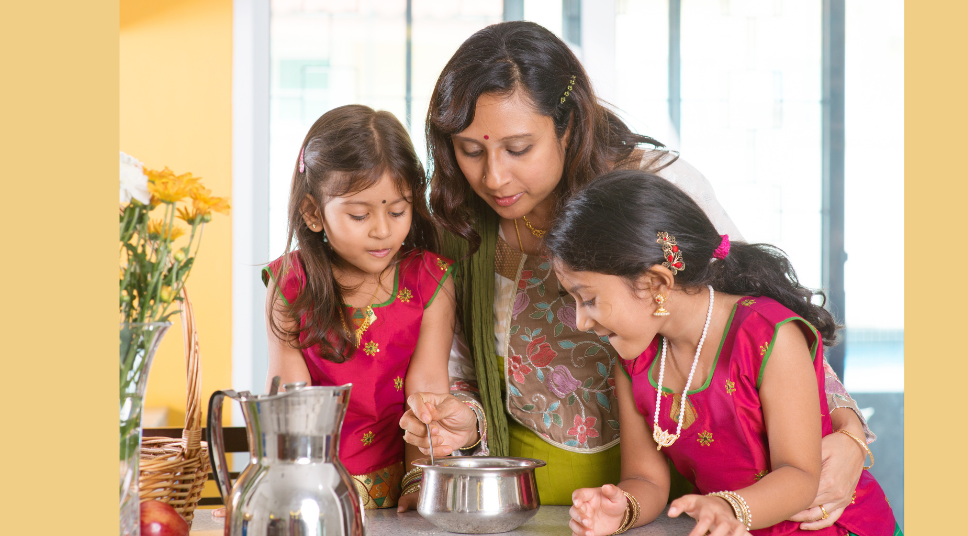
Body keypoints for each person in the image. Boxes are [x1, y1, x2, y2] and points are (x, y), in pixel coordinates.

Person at [400, 21, 873, 526]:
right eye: (471, 150)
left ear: (568, 125)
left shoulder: (652, 189)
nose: (493, 177)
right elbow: (463, 373)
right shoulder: (458, 223)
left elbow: (755, 312)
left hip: (693, 501)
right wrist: (461, 426)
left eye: (518, 149)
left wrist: (849, 435)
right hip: (538, 500)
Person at [550, 170, 899, 536]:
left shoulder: (767, 336)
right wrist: (621, 508)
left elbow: (800, 476)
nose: (580, 322)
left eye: (588, 299)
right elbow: (645, 478)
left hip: (834, 527)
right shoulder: (634, 362)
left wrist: (726, 507)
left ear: (656, 283)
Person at [262, 104, 457, 511]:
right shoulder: (290, 283)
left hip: (399, 493)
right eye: (359, 214)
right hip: (311, 493)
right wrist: (293, 496)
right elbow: (289, 403)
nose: (383, 229)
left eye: (398, 210)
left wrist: (420, 483)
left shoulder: (430, 280)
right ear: (314, 213)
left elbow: (427, 397)